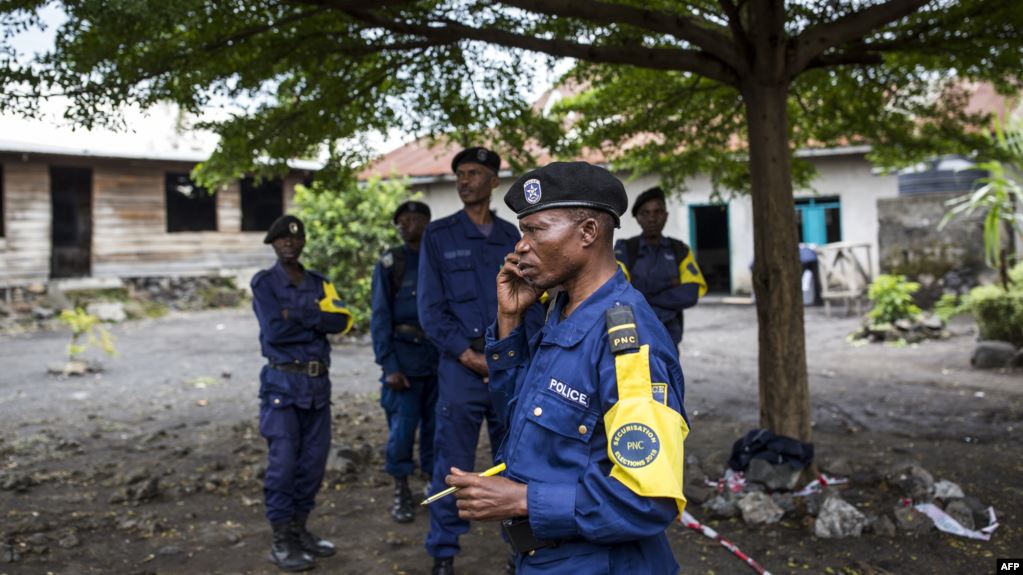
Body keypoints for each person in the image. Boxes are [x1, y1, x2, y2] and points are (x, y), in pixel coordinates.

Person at [447, 162, 690, 574]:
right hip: (546, 558)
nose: (521, 246)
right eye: (522, 231)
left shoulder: (627, 341)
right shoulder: (557, 312)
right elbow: (519, 421)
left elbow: (648, 500)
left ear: (589, 233)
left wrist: (520, 499)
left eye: (536, 230)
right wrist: (509, 323)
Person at [417, 147, 542, 575]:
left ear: (493, 181)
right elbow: (430, 310)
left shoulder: (513, 236)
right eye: (460, 174)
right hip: (461, 367)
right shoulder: (438, 235)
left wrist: (511, 359)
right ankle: (443, 554)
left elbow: (532, 303)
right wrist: (469, 356)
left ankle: (521, 551)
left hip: (511, 369)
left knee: (520, 462)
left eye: (475, 173)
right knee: (452, 463)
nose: (465, 180)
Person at [251, 214, 353, 572]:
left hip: (317, 388)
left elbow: (342, 321)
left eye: (295, 239)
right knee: (283, 467)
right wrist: (314, 318)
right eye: (282, 240)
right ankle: (281, 541)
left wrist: (298, 314)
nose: (289, 244)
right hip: (282, 387)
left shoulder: (320, 284)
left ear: (303, 242)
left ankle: (299, 530)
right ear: (274, 244)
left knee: (312, 466)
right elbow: (274, 331)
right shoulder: (264, 284)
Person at [370, 200, 439, 524]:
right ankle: (401, 489)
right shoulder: (391, 263)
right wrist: (389, 366)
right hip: (403, 359)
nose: (408, 225)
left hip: (438, 358)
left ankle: (430, 485)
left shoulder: (438, 259)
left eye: (415, 219)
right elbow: (380, 316)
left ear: (427, 223)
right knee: (402, 430)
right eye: (403, 221)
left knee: (436, 428)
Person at [614, 186, 707, 351]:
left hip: (669, 337)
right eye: (645, 213)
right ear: (637, 218)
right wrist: (670, 291)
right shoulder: (625, 249)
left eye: (657, 212)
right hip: (634, 336)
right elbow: (619, 292)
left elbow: (691, 293)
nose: (652, 218)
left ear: (666, 215)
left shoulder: (680, 250)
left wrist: (644, 297)